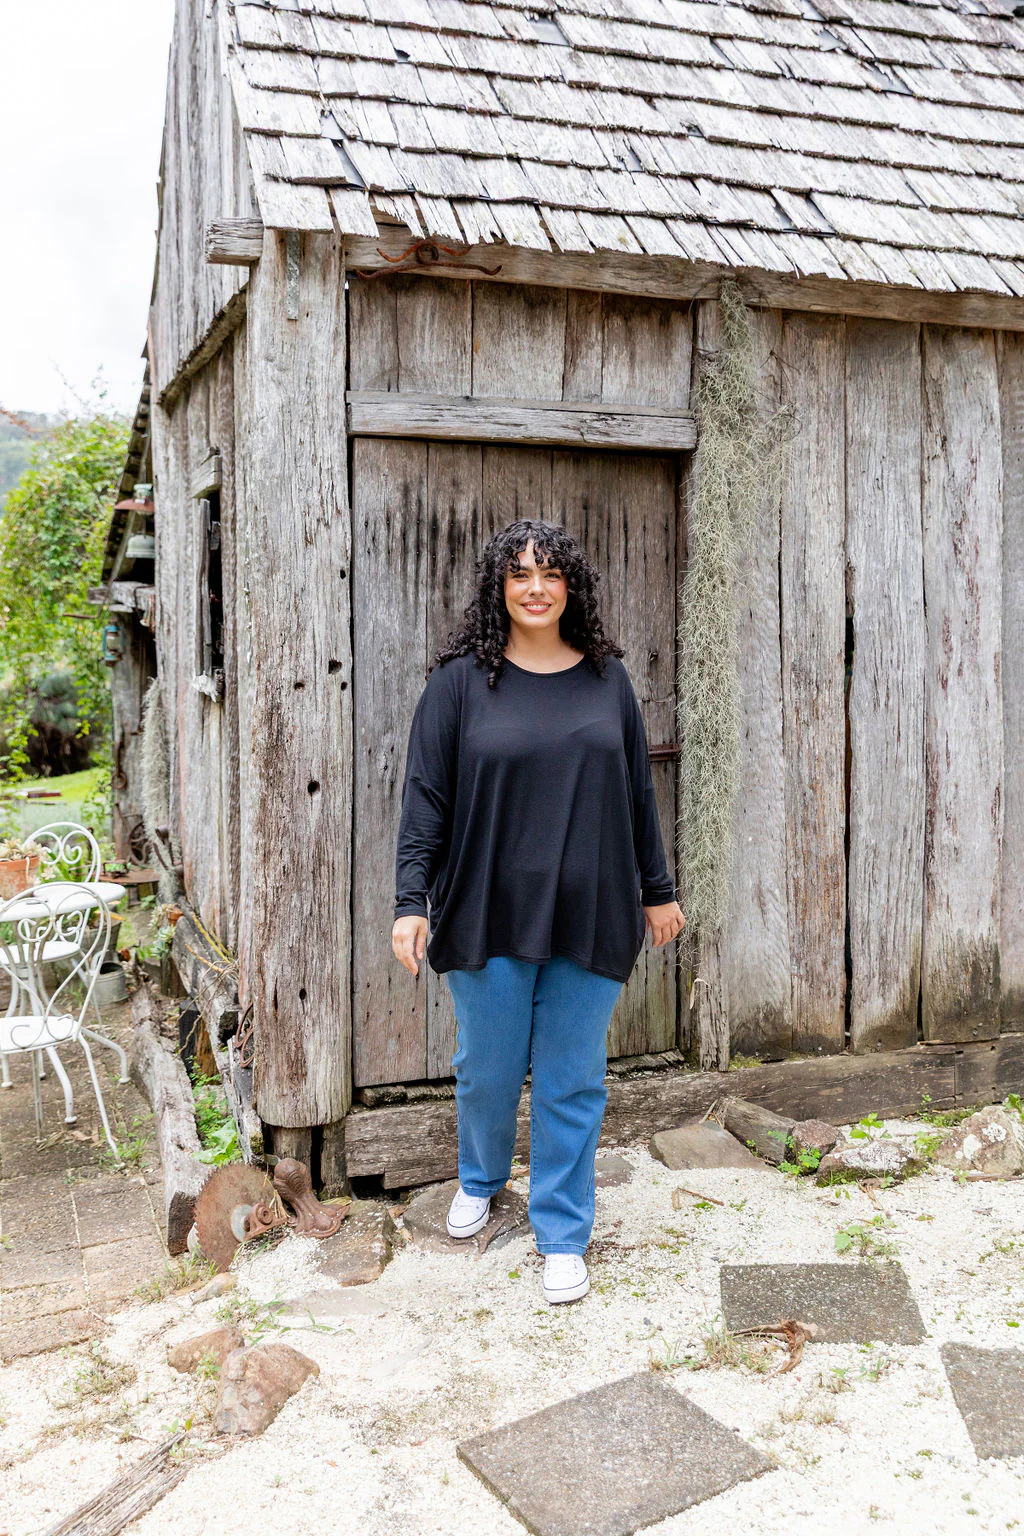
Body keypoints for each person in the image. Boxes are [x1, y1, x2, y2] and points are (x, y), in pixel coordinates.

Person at [392, 519, 685, 1304]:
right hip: (486, 907)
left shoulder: (606, 679)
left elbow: (635, 795)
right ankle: (482, 1179)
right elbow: (425, 798)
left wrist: (657, 891)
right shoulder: (459, 682)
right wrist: (409, 904)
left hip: (591, 907)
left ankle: (562, 1232)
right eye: (519, 573)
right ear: (499, 586)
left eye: (551, 574)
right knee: (487, 1070)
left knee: (571, 1079)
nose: (535, 587)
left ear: (570, 588)